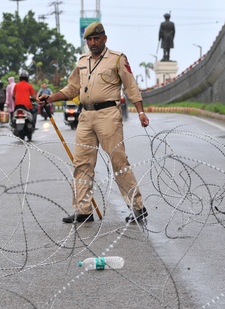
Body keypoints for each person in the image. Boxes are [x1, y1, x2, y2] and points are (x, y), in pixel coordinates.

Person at [39, 21, 150, 224]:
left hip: (108, 114)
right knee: (82, 163)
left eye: (96, 38)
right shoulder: (82, 62)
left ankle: (137, 207)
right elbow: (71, 88)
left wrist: (141, 112)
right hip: (85, 116)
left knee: (118, 160)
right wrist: (50, 98)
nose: (93, 42)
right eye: (89, 39)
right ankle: (83, 210)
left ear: (104, 39)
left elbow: (131, 86)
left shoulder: (117, 59)